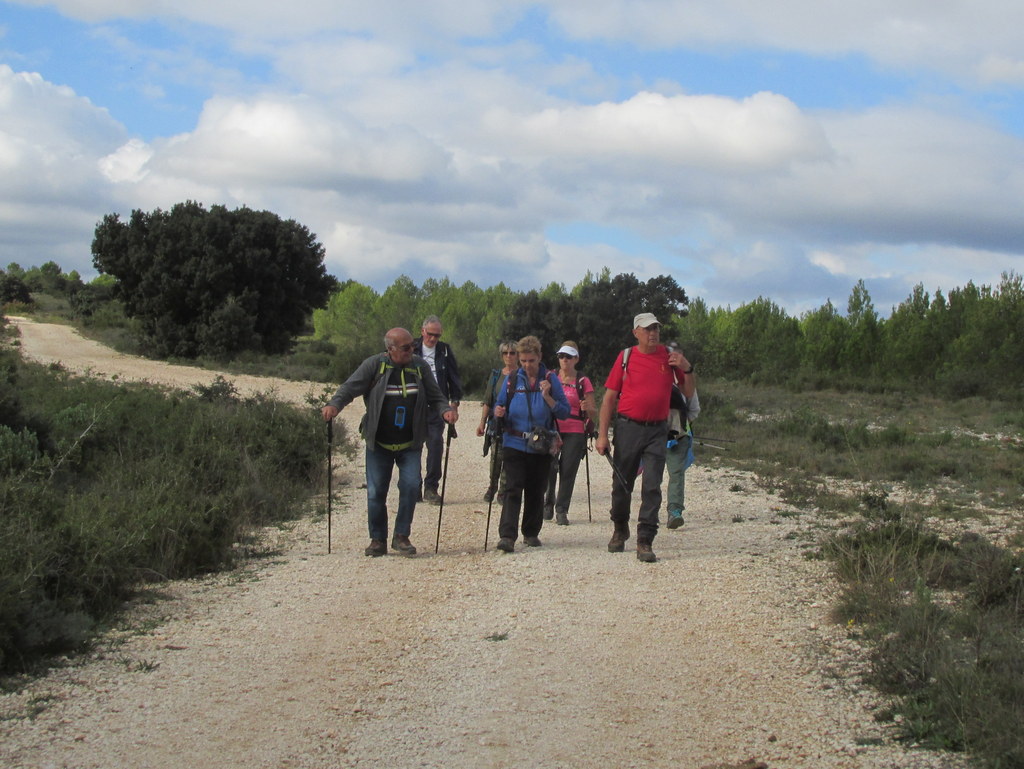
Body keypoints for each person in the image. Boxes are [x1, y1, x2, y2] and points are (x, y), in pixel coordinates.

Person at [321, 328, 457, 557]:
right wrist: (334, 405)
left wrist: (446, 410)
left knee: (412, 486)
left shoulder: (419, 367)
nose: (411, 350)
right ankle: (377, 540)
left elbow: (436, 396)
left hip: (410, 443)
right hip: (379, 443)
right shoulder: (374, 365)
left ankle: (401, 536)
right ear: (390, 349)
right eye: (405, 348)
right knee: (376, 493)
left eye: (412, 346)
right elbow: (349, 388)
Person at [595, 313, 695, 562]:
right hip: (628, 428)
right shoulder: (626, 357)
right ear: (636, 332)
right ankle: (620, 529)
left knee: (652, 486)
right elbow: (609, 398)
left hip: (657, 430)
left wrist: (688, 369)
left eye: (656, 328)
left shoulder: (669, 357)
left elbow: (688, 393)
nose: (653, 333)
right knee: (621, 484)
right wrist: (602, 435)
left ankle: (645, 540)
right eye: (648, 328)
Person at [492, 335, 570, 553]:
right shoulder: (512, 379)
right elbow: (498, 406)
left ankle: (531, 532)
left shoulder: (551, 379)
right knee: (513, 488)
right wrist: (497, 413)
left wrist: (548, 397)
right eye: (523, 361)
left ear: (540, 357)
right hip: (514, 441)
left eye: (531, 361)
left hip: (541, 444)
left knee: (536, 490)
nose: (527, 365)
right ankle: (507, 536)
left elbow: (564, 412)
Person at [544, 341, 597, 525]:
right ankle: (548, 503)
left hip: (575, 430)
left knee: (568, 470)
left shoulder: (583, 381)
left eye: (568, 357)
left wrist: (587, 409)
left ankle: (561, 510)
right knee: (549, 468)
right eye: (561, 356)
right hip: (553, 428)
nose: (564, 360)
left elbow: (593, 412)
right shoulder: (550, 378)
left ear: (576, 359)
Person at [413, 315, 463, 504]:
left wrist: (454, 404)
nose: (433, 339)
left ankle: (431, 488)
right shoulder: (412, 348)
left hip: (437, 405)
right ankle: (413, 486)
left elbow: (454, 377)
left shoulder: (445, 351)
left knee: (435, 445)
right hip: (415, 405)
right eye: (430, 334)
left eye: (437, 335)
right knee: (413, 447)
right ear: (422, 331)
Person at [477, 340, 519, 503]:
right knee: (496, 457)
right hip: (497, 423)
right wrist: (482, 422)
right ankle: (492, 486)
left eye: (512, 353)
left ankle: (503, 490)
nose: (509, 356)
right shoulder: (496, 375)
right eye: (505, 353)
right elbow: (488, 400)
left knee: (510, 457)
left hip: (515, 423)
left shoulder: (522, 375)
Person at [665, 385, 700, 529]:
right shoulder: (683, 380)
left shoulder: (684, 381)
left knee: (675, 472)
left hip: (674, 435)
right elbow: (693, 411)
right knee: (675, 473)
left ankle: (672, 511)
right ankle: (672, 511)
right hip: (677, 433)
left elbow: (693, 409)